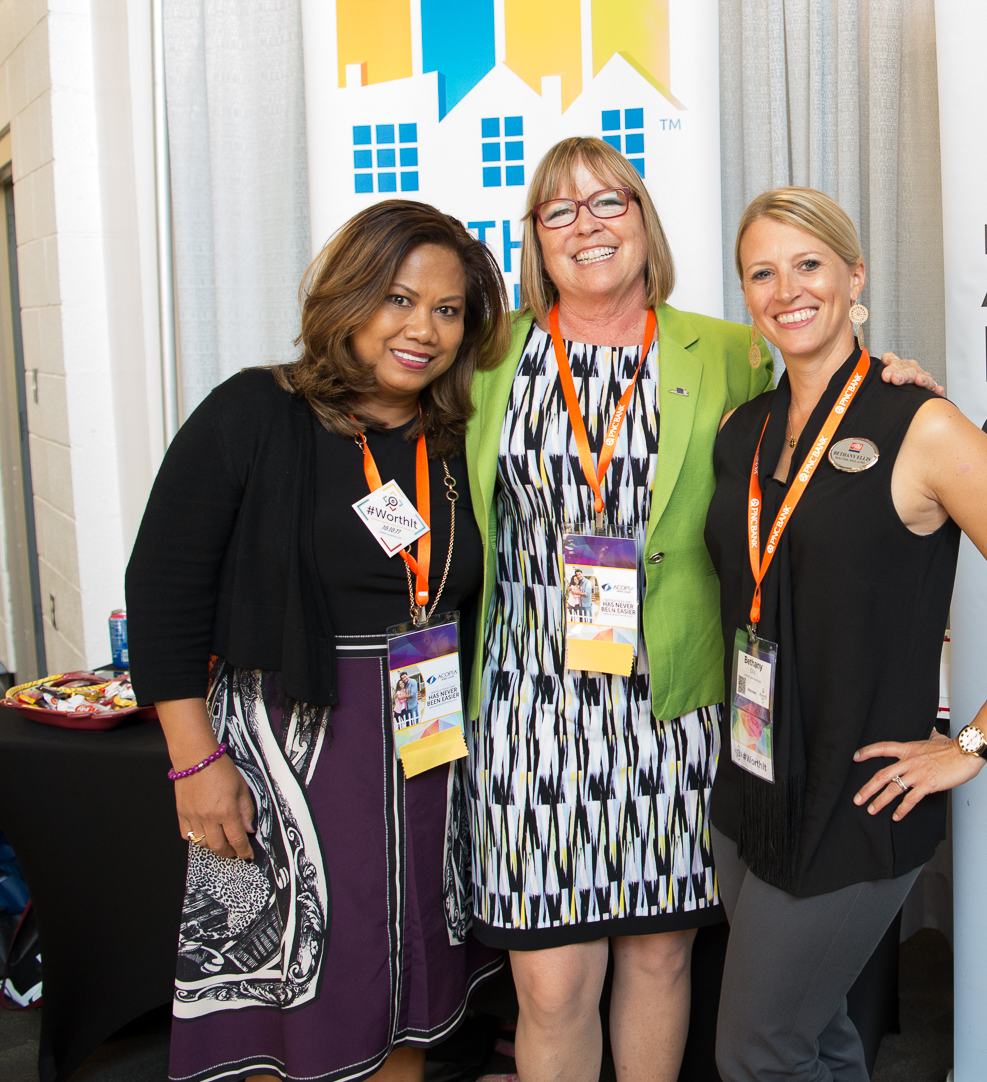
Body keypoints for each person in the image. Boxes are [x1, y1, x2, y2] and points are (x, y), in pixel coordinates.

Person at [463, 139, 939, 1082]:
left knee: (660, 952)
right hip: (527, 705)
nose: (587, 225)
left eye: (609, 202)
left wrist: (897, 388)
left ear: (644, 218)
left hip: (674, 704)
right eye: (559, 211)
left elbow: (817, 423)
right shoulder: (487, 354)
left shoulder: (726, 351)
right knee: (551, 988)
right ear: (533, 239)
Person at [704, 187, 987, 1082]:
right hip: (751, 783)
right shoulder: (743, 430)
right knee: (821, 1033)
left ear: (854, 276)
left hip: (858, 801)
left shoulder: (924, 425)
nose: (786, 289)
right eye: (762, 272)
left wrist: (972, 746)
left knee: (758, 1052)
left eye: (808, 265)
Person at [127, 200, 510, 1082]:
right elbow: (163, 589)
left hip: (423, 752)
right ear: (350, 297)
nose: (422, 329)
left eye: (447, 311)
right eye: (398, 299)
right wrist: (194, 763)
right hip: (286, 750)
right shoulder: (256, 411)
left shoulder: (453, 438)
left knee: (404, 989)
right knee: (278, 992)